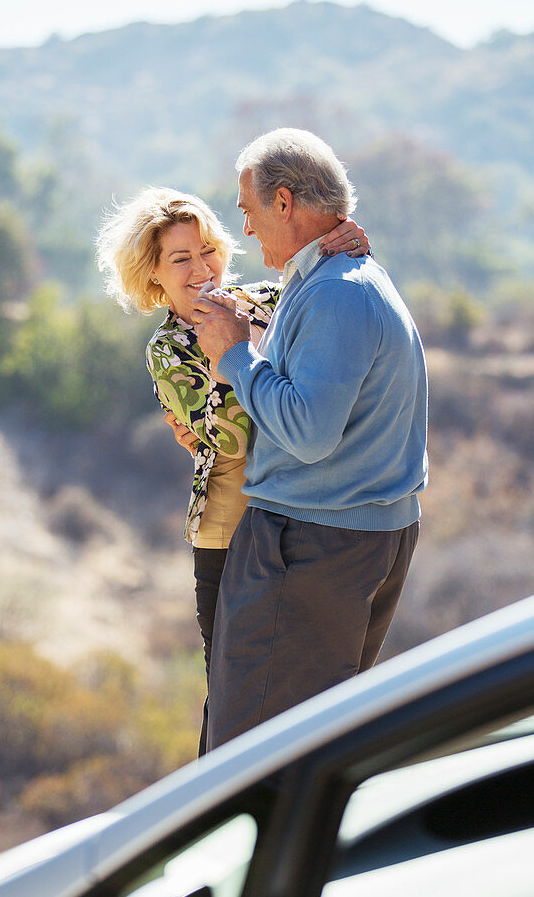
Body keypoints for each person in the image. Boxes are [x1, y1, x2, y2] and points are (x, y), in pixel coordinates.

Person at [96, 186, 369, 754]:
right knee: (232, 691)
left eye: (207, 250)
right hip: (227, 534)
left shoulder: (270, 298)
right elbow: (238, 437)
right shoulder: (169, 349)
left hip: (297, 518)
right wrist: (272, 375)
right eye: (180, 259)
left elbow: (333, 300)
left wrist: (352, 242)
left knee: (300, 685)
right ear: (153, 277)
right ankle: (213, 813)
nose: (201, 268)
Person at [192, 128, 429, 752]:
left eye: (248, 212)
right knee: (310, 742)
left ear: (286, 202)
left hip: (311, 545)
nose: (246, 232)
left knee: (249, 751)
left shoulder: (337, 296)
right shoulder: (341, 276)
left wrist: (235, 357)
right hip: (355, 539)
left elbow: (307, 432)